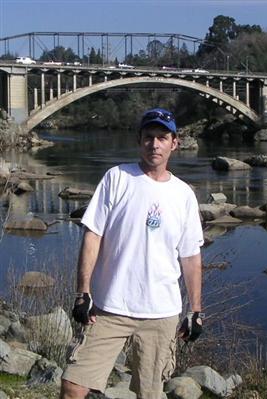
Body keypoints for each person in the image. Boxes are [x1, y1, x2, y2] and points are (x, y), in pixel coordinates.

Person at [60, 108, 204, 399]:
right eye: (149, 137)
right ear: (139, 140)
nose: (155, 144)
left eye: (162, 137)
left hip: (161, 314)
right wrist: (82, 292)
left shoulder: (184, 194)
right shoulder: (117, 177)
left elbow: (190, 257)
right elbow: (93, 235)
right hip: (108, 308)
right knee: (74, 385)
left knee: (150, 394)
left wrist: (196, 311)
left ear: (174, 143)